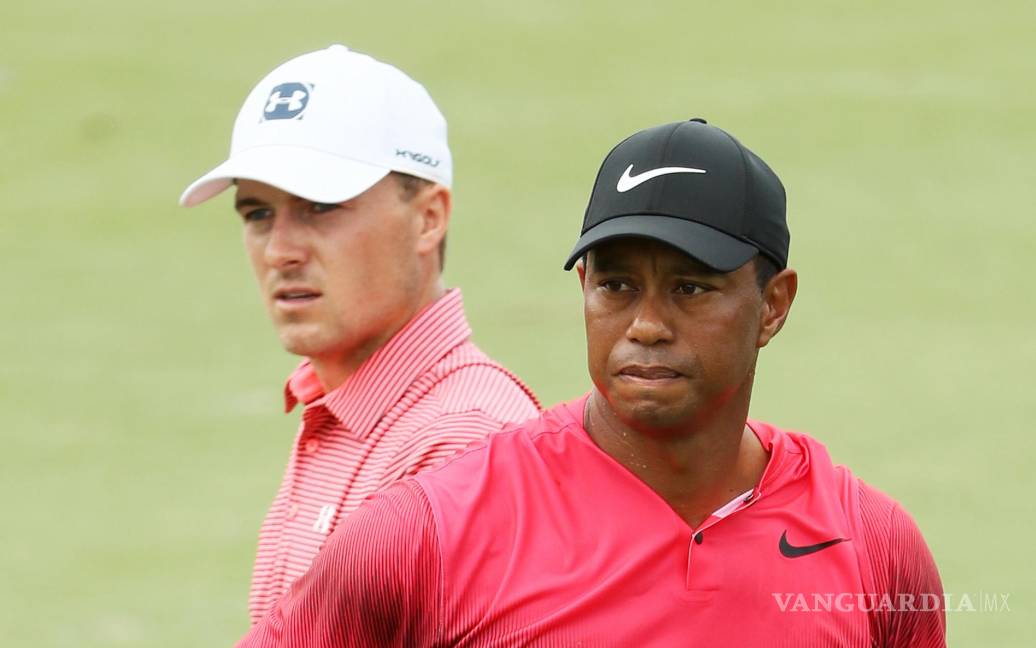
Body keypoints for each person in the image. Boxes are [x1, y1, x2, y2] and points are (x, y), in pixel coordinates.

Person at [237, 119, 945, 647]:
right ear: (583, 287)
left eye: (690, 288)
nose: (646, 325)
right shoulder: (427, 530)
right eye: (616, 285)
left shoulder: (872, 546)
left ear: (774, 305)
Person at [178, 44, 540, 623]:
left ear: (428, 218)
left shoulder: (462, 442)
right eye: (258, 214)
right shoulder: (340, 408)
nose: (280, 251)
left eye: (321, 207)